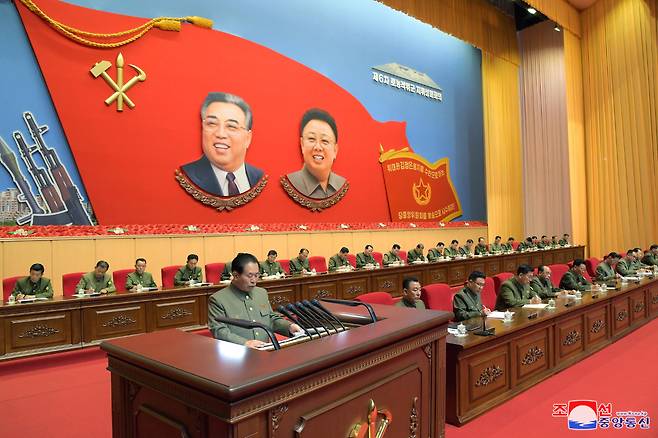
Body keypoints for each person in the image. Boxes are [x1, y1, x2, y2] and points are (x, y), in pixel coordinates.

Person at [207, 253, 303, 348]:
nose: (254, 280)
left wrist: (289, 327)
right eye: (250, 276)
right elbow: (219, 330)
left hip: (265, 352)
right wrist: (245, 343)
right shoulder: (218, 299)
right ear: (236, 276)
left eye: (257, 275)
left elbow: (271, 319)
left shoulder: (261, 293)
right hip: (237, 356)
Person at [180, 92, 264, 197]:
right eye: (212, 124)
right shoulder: (186, 175)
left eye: (231, 126)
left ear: (248, 138)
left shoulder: (259, 178)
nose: (220, 134)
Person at [285, 108, 347, 199]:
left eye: (325, 141)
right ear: (302, 144)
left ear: (335, 150)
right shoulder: (291, 182)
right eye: (311, 139)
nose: (318, 147)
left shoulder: (342, 185)